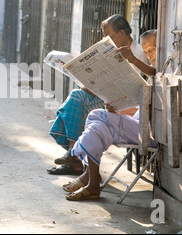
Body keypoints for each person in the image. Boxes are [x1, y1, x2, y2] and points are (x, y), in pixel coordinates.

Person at [47, 15, 151, 176]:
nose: (105, 39)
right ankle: (73, 155)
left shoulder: (139, 53)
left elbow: (139, 86)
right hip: (104, 95)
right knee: (76, 95)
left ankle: (73, 156)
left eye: (109, 36)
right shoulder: (109, 49)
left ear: (122, 33)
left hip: (124, 103)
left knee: (77, 107)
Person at [62, 29, 157, 201]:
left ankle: (87, 177)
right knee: (98, 126)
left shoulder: (162, 73)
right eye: (147, 52)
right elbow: (141, 109)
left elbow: (154, 75)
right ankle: (91, 184)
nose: (150, 55)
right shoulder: (152, 75)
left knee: (95, 115)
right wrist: (118, 109)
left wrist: (134, 60)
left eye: (153, 49)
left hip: (150, 133)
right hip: (136, 126)